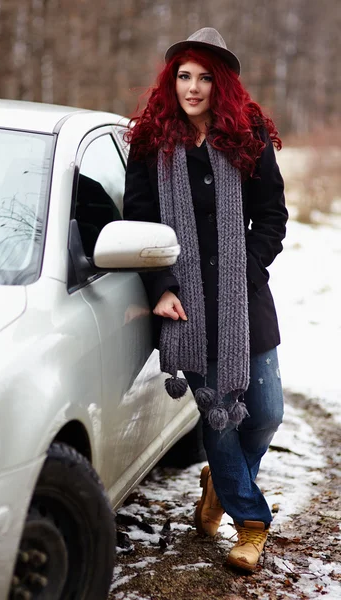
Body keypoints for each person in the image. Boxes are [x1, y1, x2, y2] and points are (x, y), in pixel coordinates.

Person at [123, 27, 288, 572]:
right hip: (185, 305)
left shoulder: (248, 138)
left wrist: (249, 266)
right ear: (171, 82)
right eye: (184, 77)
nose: (193, 88)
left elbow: (271, 218)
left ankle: (220, 482)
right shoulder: (151, 143)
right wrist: (162, 288)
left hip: (243, 298)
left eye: (205, 79)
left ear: (224, 86)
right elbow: (138, 226)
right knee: (219, 418)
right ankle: (252, 524)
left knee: (264, 413)